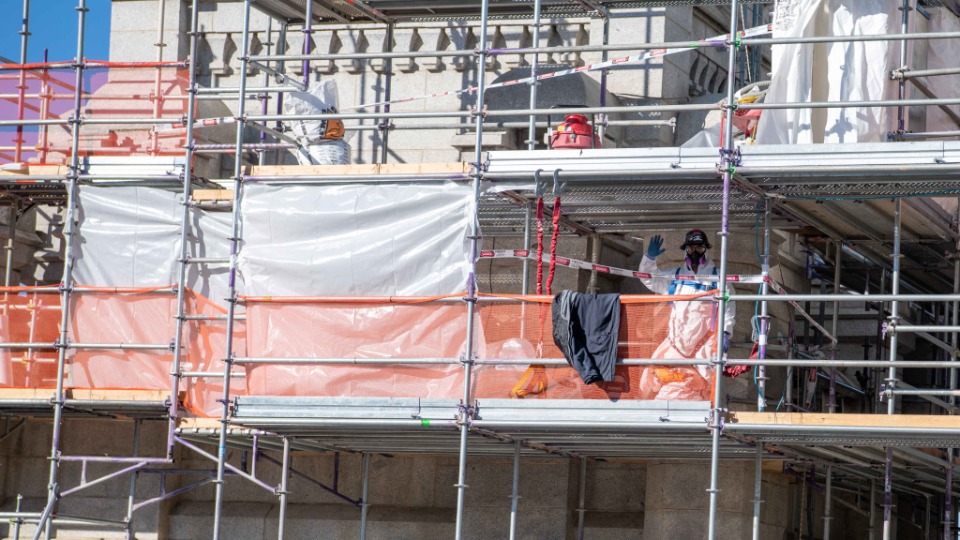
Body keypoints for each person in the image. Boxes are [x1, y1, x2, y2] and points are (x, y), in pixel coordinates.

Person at [636, 229, 736, 400]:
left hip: (702, 348)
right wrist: (649, 259)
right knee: (652, 379)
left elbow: (728, 305)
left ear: (706, 249)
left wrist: (726, 332)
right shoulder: (675, 276)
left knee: (700, 388)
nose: (695, 252)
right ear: (685, 250)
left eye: (699, 248)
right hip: (675, 346)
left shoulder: (718, 278)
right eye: (691, 248)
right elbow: (649, 279)